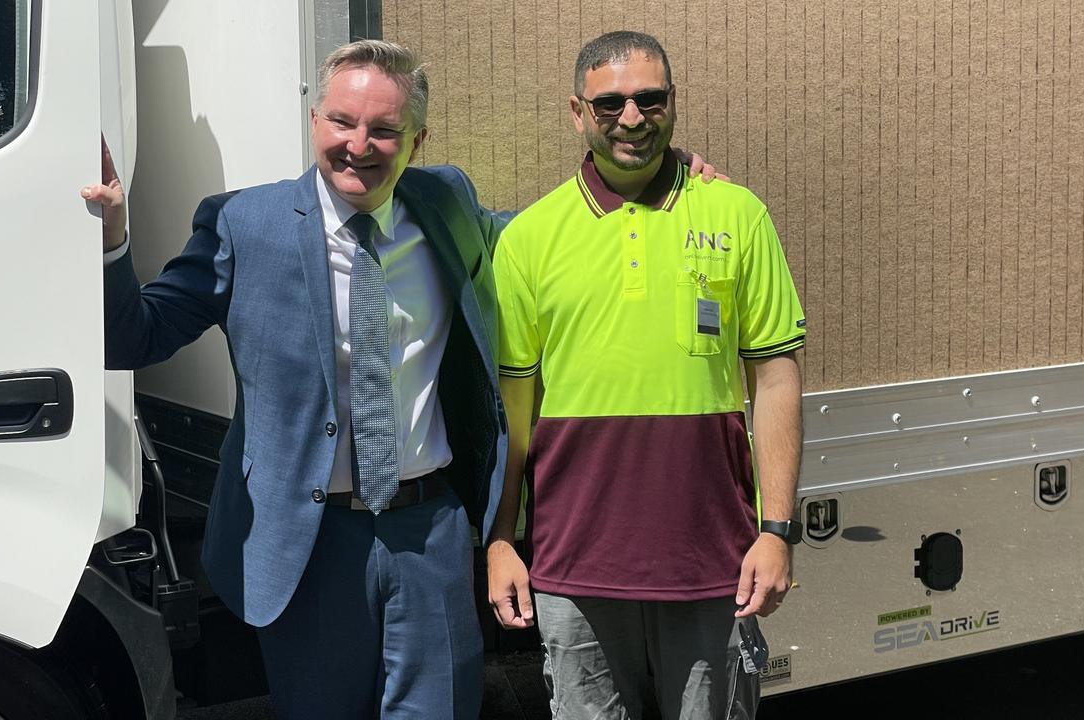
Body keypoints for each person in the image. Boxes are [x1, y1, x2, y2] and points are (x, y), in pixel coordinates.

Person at [84, 39, 715, 719]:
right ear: (314, 121)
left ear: (417, 140)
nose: (360, 145)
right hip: (310, 541)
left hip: (429, 533)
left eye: (385, 129)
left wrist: (656, 175)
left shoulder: (446, 204)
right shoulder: (245, 223)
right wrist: (113, 236)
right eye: (343, 123)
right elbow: (134, 336)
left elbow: (553, 240)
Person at [485, 31, 806, 720]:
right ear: (577, 112)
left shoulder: (737, 213)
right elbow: (515, 411)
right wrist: (503, 539)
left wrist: (777, 529)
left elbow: (776, 378)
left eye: (649, 99)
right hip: (574, 569)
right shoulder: (528, 238)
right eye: (610, 103)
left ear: (672, 104)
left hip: (712, 559)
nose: (632, 117)